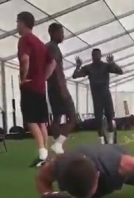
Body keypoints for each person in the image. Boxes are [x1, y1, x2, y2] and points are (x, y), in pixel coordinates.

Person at [17, 12, 56, 167]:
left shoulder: (24, 40)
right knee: (41, 122)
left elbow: (25, 59)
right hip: (40, 87)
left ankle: (42, 154)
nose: (17, 26)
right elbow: (52, 63)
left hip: (30, 86)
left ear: (22, 23)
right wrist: (44, 77)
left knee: (31, 120)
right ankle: (44, 154)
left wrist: (23, 78)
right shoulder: (40, 43)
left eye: (17, 22)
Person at [72, 49, 123, 144]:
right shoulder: (89, 68)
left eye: (97, 55)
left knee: (109, 117)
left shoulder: (106, 66)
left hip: (106, 95)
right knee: (98, 120)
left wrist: (112, 63)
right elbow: (75, 76)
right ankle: (102, 140)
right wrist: (78, 66)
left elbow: (120, 71)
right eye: (94, 55)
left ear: (100, 55)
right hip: (97, 97)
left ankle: (112, 140)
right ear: (92, 56)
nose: (95, 57)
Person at [45, 23, 76, 154]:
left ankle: (58, 148)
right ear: (53, 33)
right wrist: (62, 89)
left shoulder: (48, 47)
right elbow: (55, 69)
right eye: (61, 32)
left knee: (56, 118)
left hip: (52, 88)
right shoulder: (53, 48)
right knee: (72, 118)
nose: (63, 35)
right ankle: (58, 144)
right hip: (58, 87)